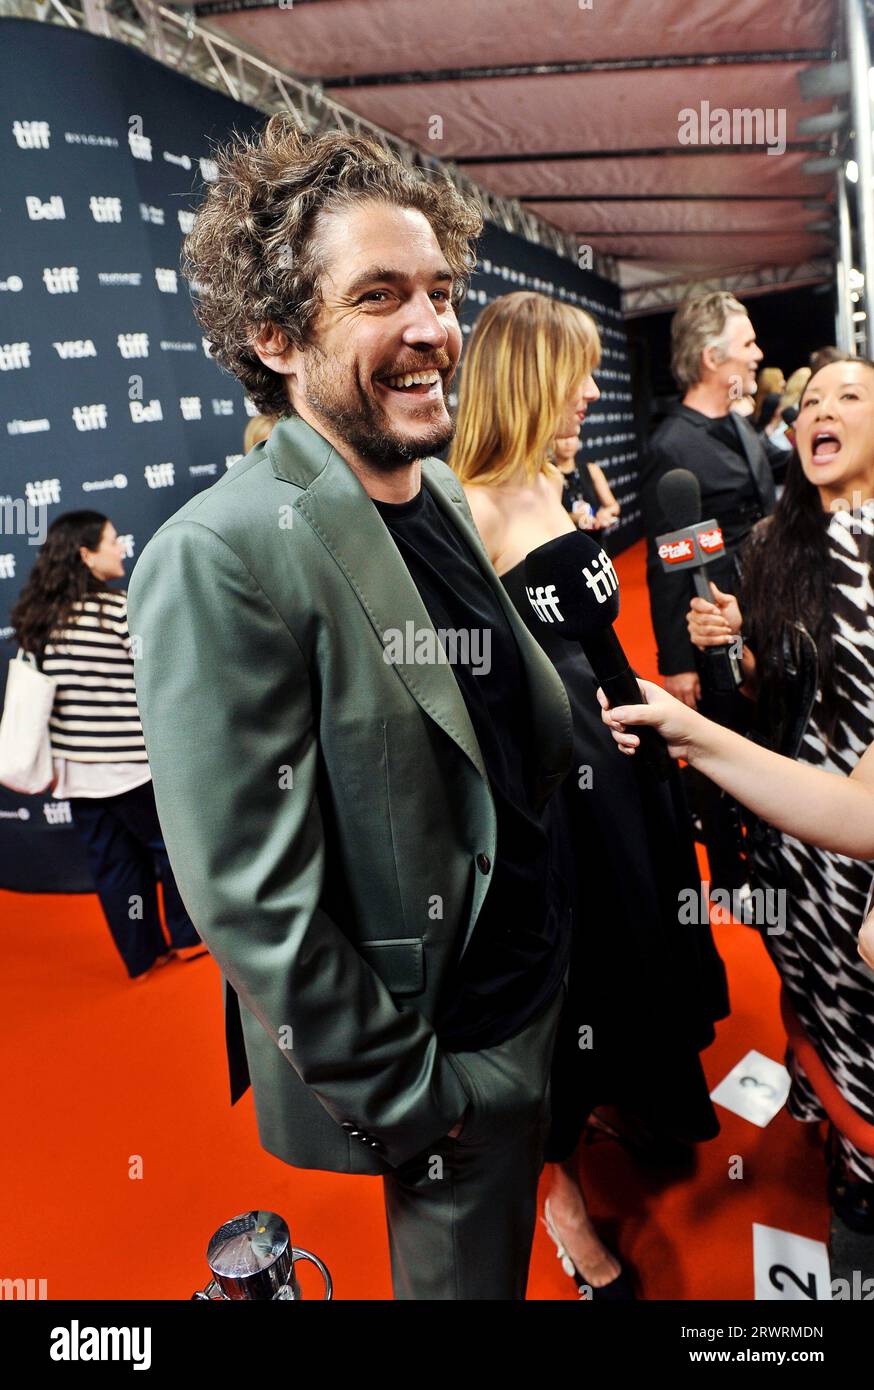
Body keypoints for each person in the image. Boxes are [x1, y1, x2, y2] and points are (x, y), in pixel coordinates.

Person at [127, 117, 578, 1301]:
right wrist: (425, 1102)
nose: (434, 327)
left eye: (440, 289)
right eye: (380, 295)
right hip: (446, 1058)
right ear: (274, 336)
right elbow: (250, 902)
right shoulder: (216, 554)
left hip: (538, 985)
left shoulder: (431, 486)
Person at [448, 291, 729, 1299]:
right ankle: (558, 1200)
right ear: (527, 380)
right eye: (576, 376)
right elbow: (466, 687)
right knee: (572, 985)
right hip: (558, 797)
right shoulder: (468, 504)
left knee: (633, 958)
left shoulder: (550, 481)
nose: (591, 396)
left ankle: (624, 1092)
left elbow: (587, 638)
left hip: (626, 771)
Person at [603, 356, 874, 1235]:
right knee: (808, 980)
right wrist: (736, 646)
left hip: (861, 845)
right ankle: (822, 1104)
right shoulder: (771, 545)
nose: (820, 409)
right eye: (813, 400)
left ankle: (862, 1163)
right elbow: (774, 684)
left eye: (850, 396)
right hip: (790, 828)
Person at [8, 512, 204, 981]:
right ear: (86, 554)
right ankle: (187, 937)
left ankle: (141, 956)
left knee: (115, 869)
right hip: (135, 769)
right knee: (173, 854)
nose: (122, 547)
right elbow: (161, 675)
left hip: (78, 776)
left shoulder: (39, 619)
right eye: (113, 541)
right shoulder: (119, 610)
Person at [640, 292, 778, 892]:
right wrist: (677, 663)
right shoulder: (671, 445)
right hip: (711, 628)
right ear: (712, 357)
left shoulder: (741, 423)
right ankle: (727, 876)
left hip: (763, 616)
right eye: (747, 344)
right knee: (722, 756)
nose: (759, 353)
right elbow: (665, 561)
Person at [551, 429, 619, 531]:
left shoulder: (592, 469)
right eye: (562, 437)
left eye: (572, 436)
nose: (568, 442)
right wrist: (574, 518)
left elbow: (614, 506)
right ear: (551, 441)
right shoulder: (548, 475)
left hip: (595, 540)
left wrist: (605, 513)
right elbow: (548, 518)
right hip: (564, 542)